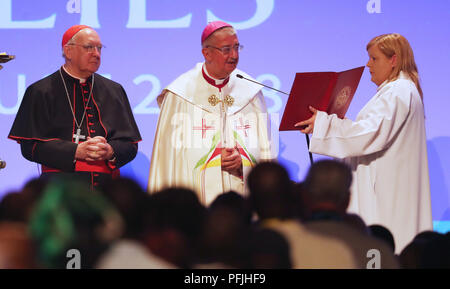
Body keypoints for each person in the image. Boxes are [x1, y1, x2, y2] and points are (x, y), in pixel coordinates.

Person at [295, 33, 432, 253]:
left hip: (386, 198)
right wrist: (333, 124)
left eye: (374, 58)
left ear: (393, 60)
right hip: (388, 190)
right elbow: (371, 131)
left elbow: (368, 135)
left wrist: (324, 124)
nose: (368, 64)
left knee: (382, 252)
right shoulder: (398, 91)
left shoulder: (398, 92)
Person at [148, 21, 272, 205]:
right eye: (226, 49)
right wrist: (213, 158)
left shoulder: (250, 91)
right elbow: (172, 158)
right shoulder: (180, 93)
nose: (234, 56)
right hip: (196, 203)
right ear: (207, 53)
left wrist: (243, 161)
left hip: (241, 199)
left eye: (237, 48)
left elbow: (264, 149)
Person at [8, 25, 141, 189]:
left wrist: (110, 151)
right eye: (89, 47)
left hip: (107, 191)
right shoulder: (40, 91)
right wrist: (74, 151)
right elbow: (29, 147)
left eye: (99, 48)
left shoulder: (114, 90)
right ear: (68, 51)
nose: (96, 54)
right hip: (58, 189)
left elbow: (130, 145)